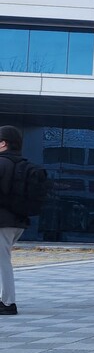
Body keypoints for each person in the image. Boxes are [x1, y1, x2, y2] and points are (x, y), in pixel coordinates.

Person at [0, 126, 30, 315]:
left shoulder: (2, 163)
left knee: (2, 262)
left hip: (2, 222)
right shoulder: (24, 165)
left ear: (3, 143)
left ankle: (8, 303)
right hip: (18, 221)